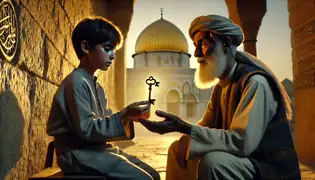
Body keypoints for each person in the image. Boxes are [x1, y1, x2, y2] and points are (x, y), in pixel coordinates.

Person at [140, 14, 300, 180]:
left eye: (203, 44)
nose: (196, 53)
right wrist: (181, 131)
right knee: (178, 149)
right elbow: (207, 126)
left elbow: (242, 142)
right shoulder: (223, 86)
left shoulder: (255, 83)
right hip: (247, 160)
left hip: (268, 168)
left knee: (214, 162)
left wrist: (186, 128)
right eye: (195, 45)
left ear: (226, 44)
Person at [46, 16, 160, 180]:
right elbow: (87, 130)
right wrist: (123, 115)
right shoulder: (76, 82)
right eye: (107, 49)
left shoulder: (96, 86)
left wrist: (129, 118)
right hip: (78, 154)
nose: (113, 56)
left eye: (114, 50)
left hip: (96, 150)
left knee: (153, 175)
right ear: (85, 47)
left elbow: (104, 124)